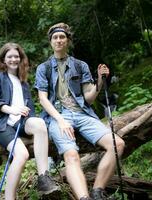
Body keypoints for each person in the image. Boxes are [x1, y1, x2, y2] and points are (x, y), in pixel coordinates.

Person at [35, 23, 125, 200]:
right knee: (71, 154)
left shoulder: (80, 65)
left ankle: (98, 191)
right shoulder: (43, 68)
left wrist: (99, 81)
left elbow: (89, 98)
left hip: (83, 114)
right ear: (50, 42)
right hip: (57, 116)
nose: (59, 40)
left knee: (117, 144)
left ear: (67, 40)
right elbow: (43, 99)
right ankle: (84, 198)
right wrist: (60, 120)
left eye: (62, 37)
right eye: (55, 37)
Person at [0, 43, 59, 199]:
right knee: (22, 155)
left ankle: (44, 177)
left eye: (16, 56)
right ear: (3, 59)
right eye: (10, 56)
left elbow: (30, 110)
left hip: (20, 123)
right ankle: (9, 197)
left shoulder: (23, 82)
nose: (14, 59)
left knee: (39, 124)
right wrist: (13, 110)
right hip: (2, 123)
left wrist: (28, 115)